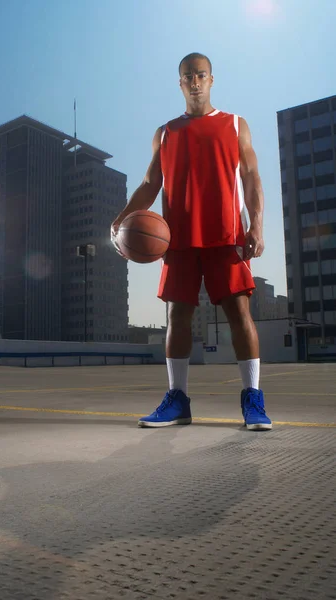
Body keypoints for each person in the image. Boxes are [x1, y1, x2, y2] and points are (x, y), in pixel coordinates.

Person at [111, 52, 272, 431]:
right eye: (188, 76)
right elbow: (151, 184)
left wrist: (257, 226)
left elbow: (251, 177)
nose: (195, 81)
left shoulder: (235, 125)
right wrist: (120, 221)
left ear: (212, 79)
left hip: (226, 234)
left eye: (201, 75)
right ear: (180, 83)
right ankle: (178, 399)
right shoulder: (165, 132)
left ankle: (253, 398)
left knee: (238, 312)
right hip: (178, 238)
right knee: (177, 316)